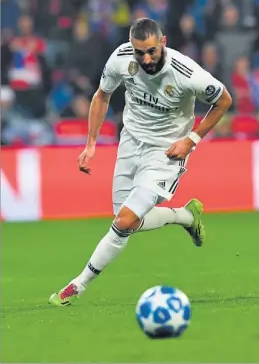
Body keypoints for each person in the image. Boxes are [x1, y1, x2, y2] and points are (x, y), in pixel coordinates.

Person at [49, 18, 232, 306]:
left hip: (167, 151)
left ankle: (78, 285)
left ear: (163, 42)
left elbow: (223, 100)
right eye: (140, 53)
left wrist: (191, 140)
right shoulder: (122, 58)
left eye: (151, 51)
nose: (146, 59)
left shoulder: (187, 73)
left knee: (123, 222)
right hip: (131, 142)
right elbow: (102, 96)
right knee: (125, 220)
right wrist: (91, 144)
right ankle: (186, 216)